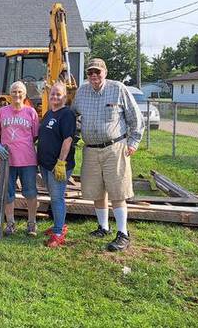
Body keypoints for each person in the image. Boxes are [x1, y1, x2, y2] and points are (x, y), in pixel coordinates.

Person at [72, 58, 143, 252]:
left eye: (98, 72)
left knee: (117, 191)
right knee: (96, 191)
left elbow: (135, 118)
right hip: (91, 149)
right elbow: (73, 116)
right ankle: (103, 227)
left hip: (115, 147)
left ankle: (123, 233)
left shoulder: (118, 89)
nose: (94, 76)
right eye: (90, 72)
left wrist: (133, 142)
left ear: (105, 72)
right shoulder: (82, 92)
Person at [0, 81, 39, 236]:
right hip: (7, 160)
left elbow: (35, 136)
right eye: (14, 91)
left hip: (27, 160)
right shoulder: (2, 112)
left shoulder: (31, 112)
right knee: (8, 193)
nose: (17, 95)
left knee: (31, 192)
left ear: (25, 94)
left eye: (20, 92)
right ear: (10, 94)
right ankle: (10, 223)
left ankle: (32, 223)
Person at [37, 82, 76, 248]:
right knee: (53, 196)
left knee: (57, 197)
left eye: (58, 94)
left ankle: (59, 232)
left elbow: (68, 139)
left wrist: (60, 162)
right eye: (53, 94)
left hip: (57, 166)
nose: (55, 97)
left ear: (65, 97)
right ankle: (57, 225)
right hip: (45, 164)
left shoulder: (67, 114)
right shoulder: (48, 113)